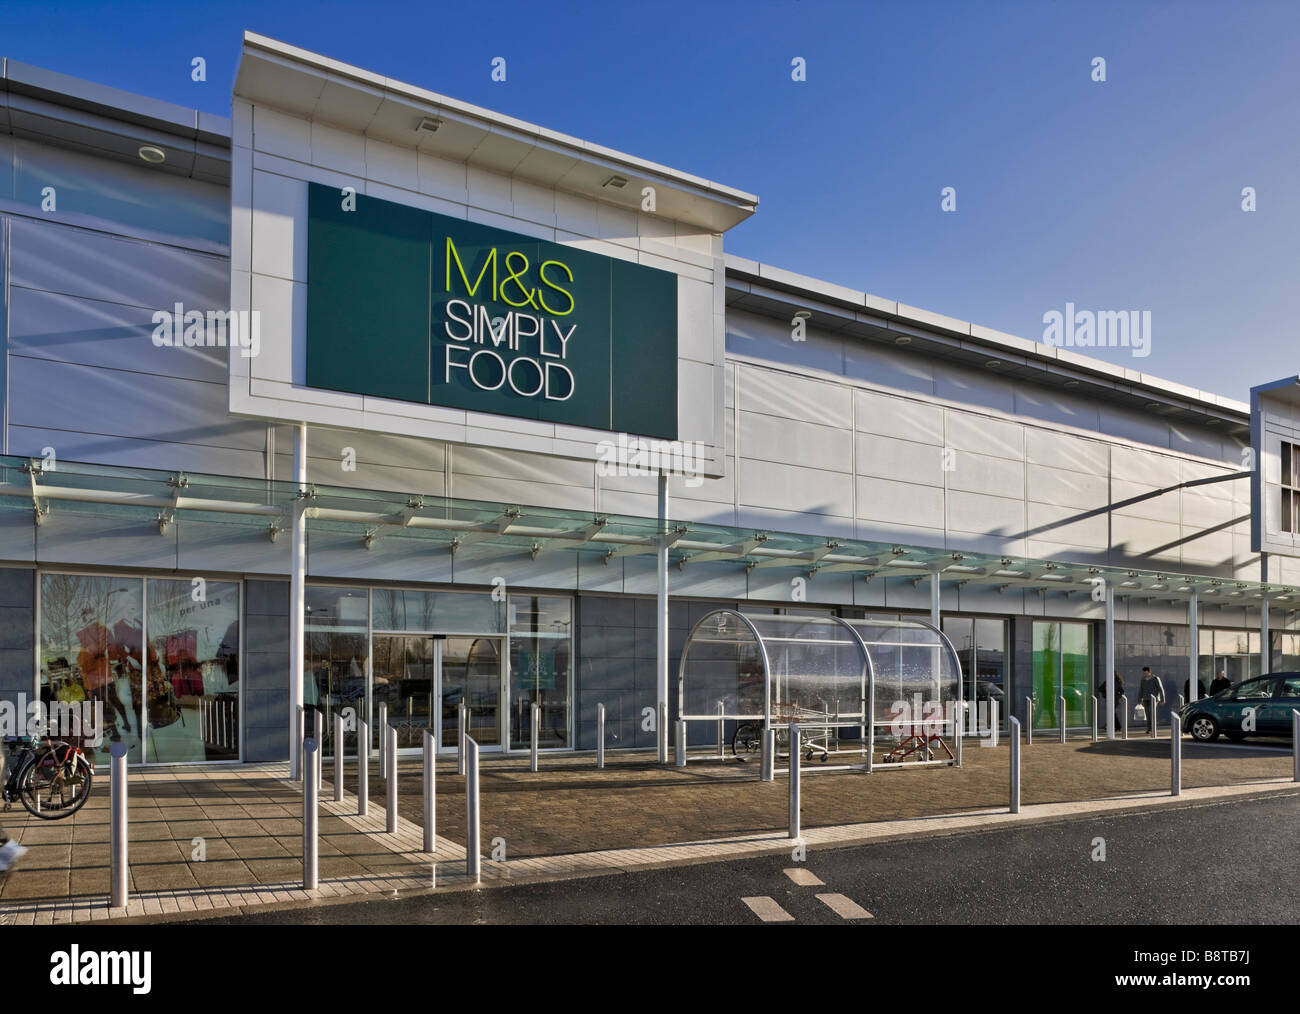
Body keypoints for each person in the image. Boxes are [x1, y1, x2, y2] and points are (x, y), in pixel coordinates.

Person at [1138, 666, 1165, 733]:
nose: (1145, 674)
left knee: (1152, 713)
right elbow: (1141, 690)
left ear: (1149, 672)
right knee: (1147, 714)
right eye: (1144, 673)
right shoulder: (1143, 679)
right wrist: (1139, 699)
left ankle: (1152, 729)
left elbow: (1161, 688)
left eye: (1146, 673)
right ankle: (1149, 729)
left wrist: (1162, 699)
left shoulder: (1155, 678)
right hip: (1145, 699)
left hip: (1154, 699)